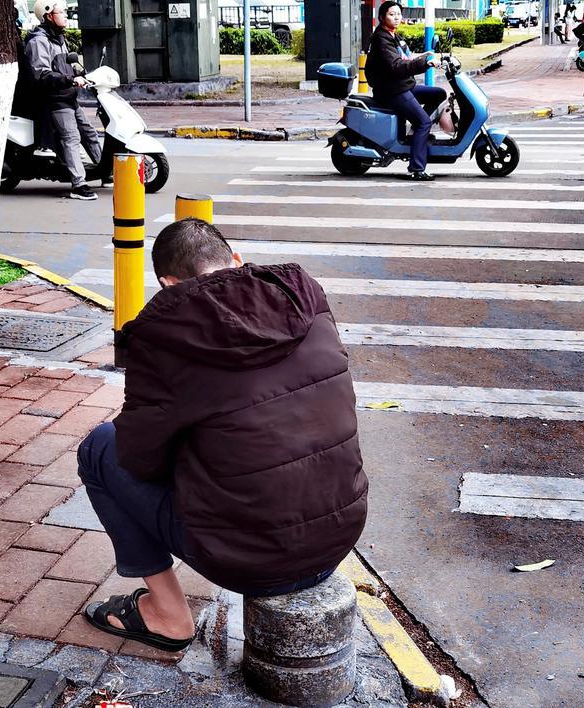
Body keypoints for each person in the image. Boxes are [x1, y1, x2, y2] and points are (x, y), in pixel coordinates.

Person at [77, 218, 368, 651]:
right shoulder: (303, 297)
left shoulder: (161, 337)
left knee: (99, 448)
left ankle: (167, 615)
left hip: (250, 560)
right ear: (235, 259)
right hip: (339, 534)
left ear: (167, 283)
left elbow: (138, 460)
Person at [24, 0, 103, 200]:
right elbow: (41, 74)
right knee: (72, 138)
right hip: (54, 99)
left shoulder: (59, 38)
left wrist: (80, 73)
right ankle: (78, 185)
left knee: (90, 134)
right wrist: (70, 79)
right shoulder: (39, 41)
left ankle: (106, 171)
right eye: (62, 12)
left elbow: (67, 65)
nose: (66, 15)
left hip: (68, 96)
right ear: (49, 15)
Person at [366, 0, 445, 182]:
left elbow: (406, 58)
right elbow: (396, 66)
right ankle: (416, 169)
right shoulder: (381, 39)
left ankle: (416, 132)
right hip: (392, 89)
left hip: (402, 85)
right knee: (424, 122)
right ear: (381, 17)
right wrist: (424, 63)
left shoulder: (393, 36)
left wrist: (427, 57)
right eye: (391, 14)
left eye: (398, 14)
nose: (396, 18)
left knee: (439, 94)